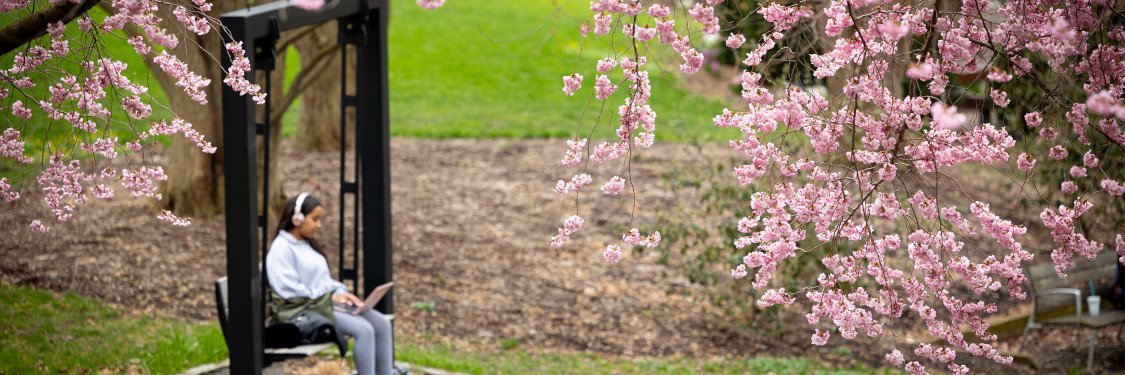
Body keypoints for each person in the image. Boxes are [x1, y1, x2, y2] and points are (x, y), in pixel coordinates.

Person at [266, 192, 395, 375]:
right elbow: (288, 289)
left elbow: (323, 281)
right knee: (364, 330)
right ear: (297, 218)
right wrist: (329, 296)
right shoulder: (281, 248)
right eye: (315, 219)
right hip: (303, 310)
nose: (318, 225)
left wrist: (340, 292)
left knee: (381, 323)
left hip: (324, 304)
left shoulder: (306, 244)